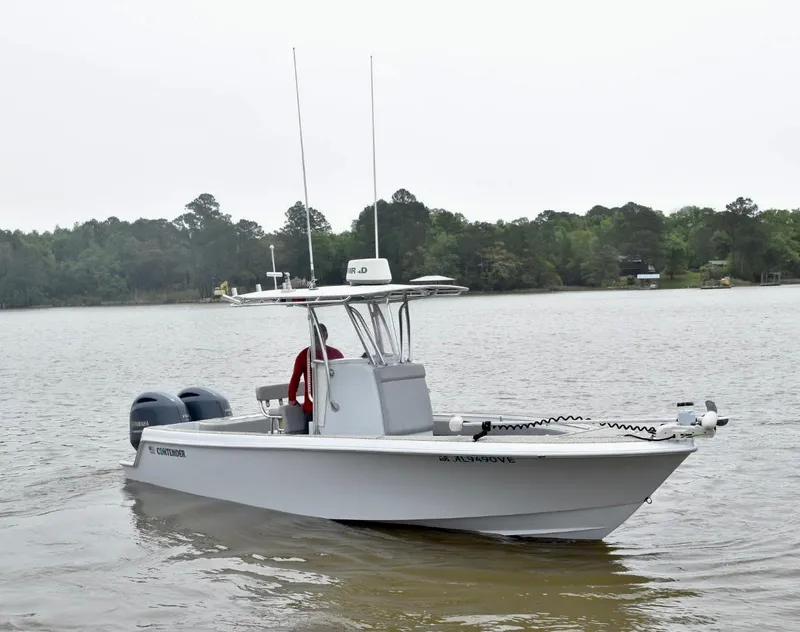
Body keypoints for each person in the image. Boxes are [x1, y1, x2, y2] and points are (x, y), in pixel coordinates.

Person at [288, 323, 344, 424]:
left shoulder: (336, 354)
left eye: (320, 334)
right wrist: (292, 398)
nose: (318, 338)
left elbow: (345, 377)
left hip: (333, 404)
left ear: (326, 336)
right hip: (312, 408)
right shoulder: (303, 356)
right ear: (311, 337)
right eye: (315, 335)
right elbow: (295, 378)